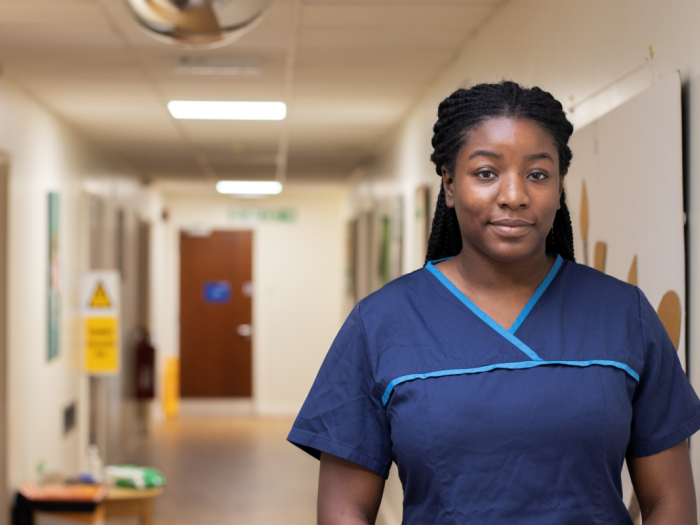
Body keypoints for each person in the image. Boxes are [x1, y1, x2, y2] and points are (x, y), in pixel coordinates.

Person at [287, 81, 700, 524]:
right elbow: (344, 508)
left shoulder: (624, 315)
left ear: (560, 188)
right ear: (448, 184)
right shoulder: (382, 323)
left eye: (538, 174)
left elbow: (669, 500)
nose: (514, 195)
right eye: (486, 173)